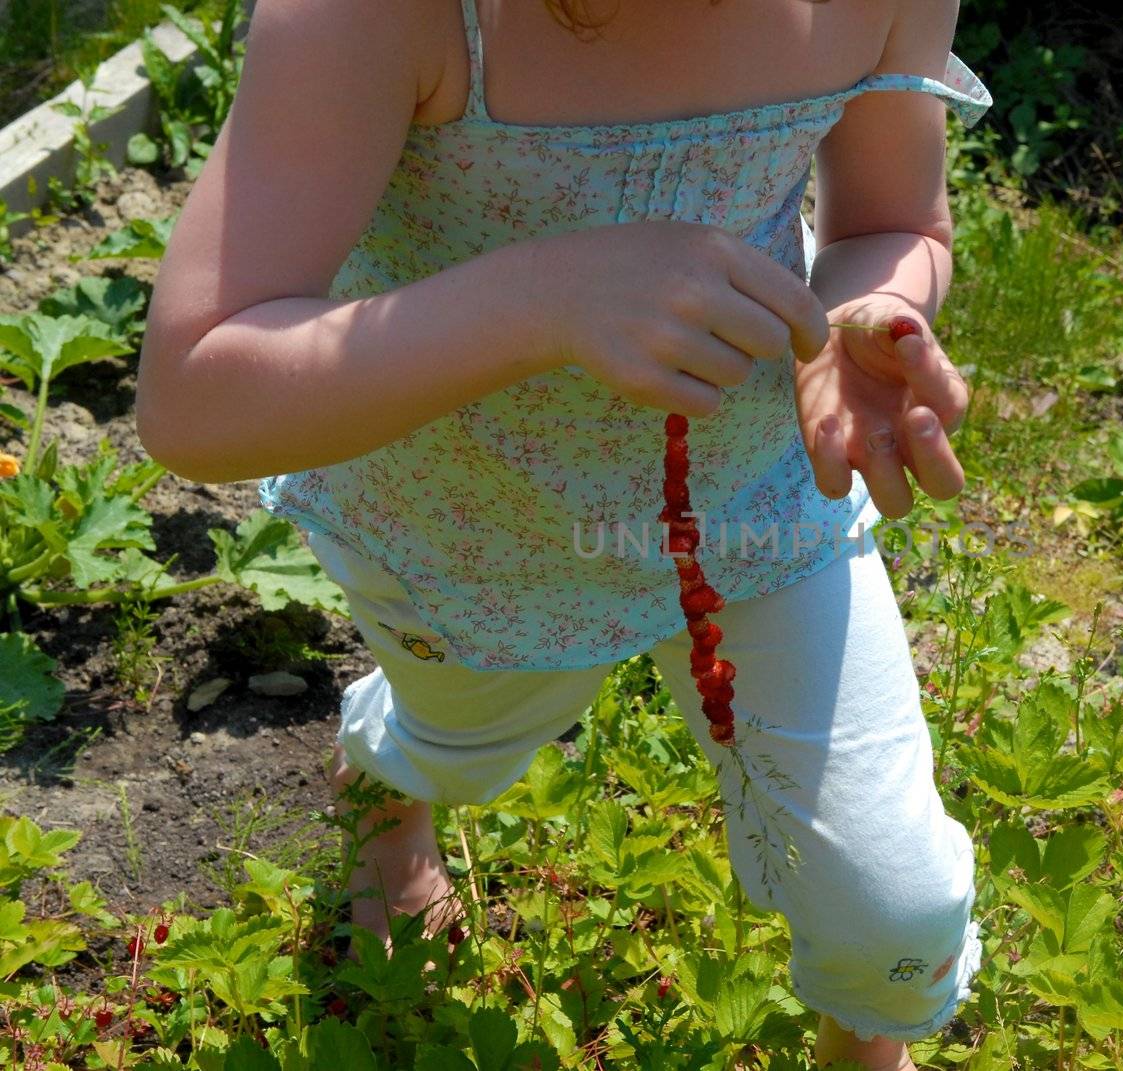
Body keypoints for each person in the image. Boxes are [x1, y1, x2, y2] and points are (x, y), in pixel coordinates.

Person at [136, 0, 991, 1064]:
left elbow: (892, 222)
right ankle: (387, 773)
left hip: (761, 501)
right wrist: (544, 297)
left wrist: (860, 317)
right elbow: (192, 398)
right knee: (460, 743)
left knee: (891, 898)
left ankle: (865, 1045)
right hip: (468, 530)